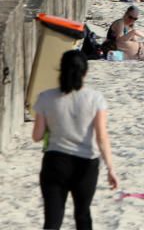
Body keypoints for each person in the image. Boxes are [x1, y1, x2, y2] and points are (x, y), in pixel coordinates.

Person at [32, 50, 117, 230]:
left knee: (53, 220)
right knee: (82, 215)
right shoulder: (95, 99)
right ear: (85, 72)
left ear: (61, 70)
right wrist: (111, 168)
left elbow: (37, 136)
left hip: (55, 162)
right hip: (85, 165)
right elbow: (102, 136)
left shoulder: (46, 97)